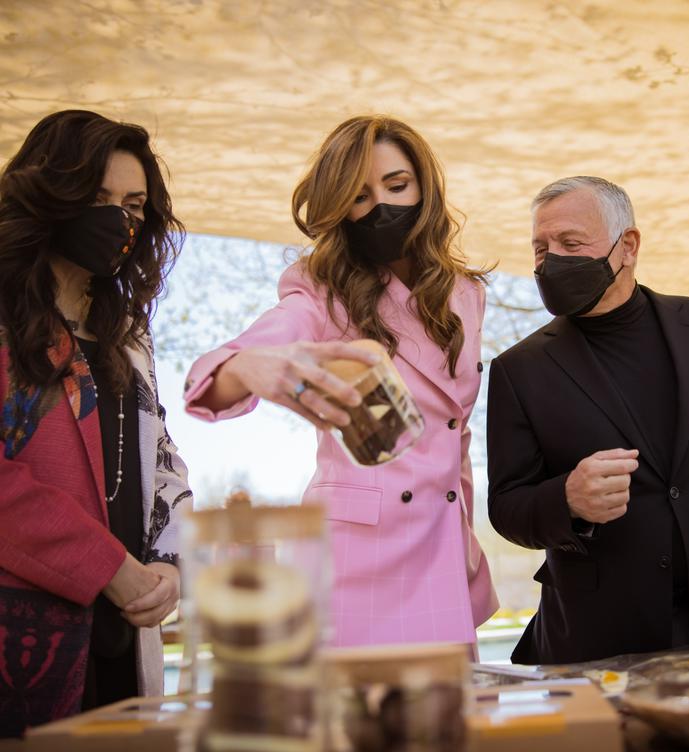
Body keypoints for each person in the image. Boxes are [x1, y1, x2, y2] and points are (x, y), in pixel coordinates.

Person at [184, 115, 499, 649]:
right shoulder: (320, 289)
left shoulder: (465, 294)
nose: (380, 206)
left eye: (397, 185)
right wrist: (245, 368)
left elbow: (455, 431)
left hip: (443, 547)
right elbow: (221, 373)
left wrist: (465, 541)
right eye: (359, 196)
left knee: (447, 728)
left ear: (425, 187)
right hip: (358, 560)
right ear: (340, 209)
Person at [487, 176, 689, 665]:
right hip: (597, 635)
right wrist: (567, 499)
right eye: (541, 249)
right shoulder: (517, 370)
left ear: (627, 246)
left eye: (570, 243)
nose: (552, 261)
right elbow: (506, 507)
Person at [0, 110, 192, 736]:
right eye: (98, 197)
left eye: (135, 204)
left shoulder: (128, 334)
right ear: (49, 193)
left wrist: (169, 563)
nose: (119, 220)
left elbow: (161, 454)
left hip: (121, 637)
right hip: (23, 642)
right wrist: (109, 567)